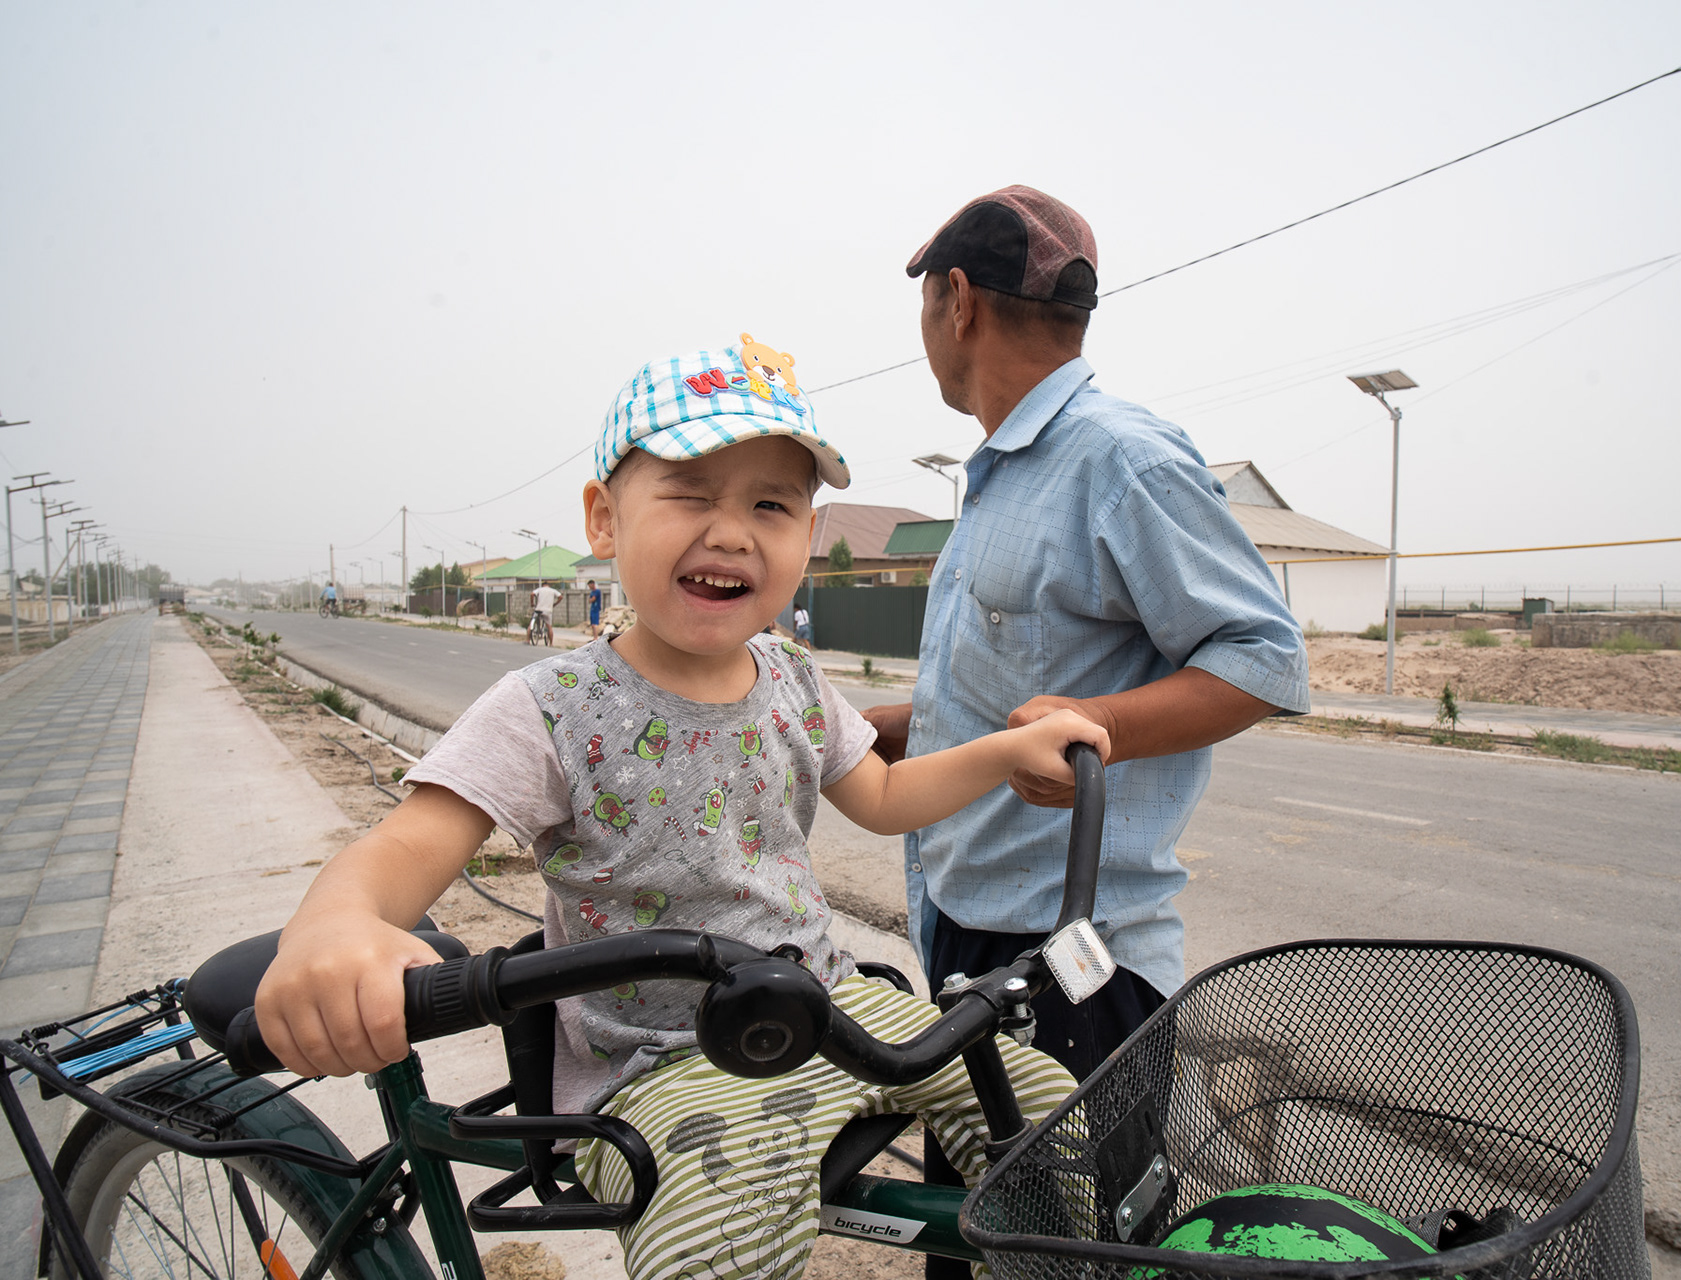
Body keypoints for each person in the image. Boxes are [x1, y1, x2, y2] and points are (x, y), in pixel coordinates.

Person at [255, 338, 1103, 1280]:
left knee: (1047, 1108)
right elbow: (408, 843)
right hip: (668, 1060)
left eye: (771, 505)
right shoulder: (551, 707)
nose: (734, 532)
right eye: (692, 494)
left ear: (805, 540)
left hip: (824, 1001)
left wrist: (1003, 753)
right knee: (713, 1252)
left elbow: (890, 796)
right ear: (605, 520)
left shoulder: (792, 677)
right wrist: (333, 925)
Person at [867, 185, 1311, 1080]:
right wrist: (832, 730)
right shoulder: (1003, 476)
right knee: (981, 1215)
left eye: (925, 303)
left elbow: (1267, 659)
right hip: (973, 927)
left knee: (1074, 1220)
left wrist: (1097, 726)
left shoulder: (1120, 458)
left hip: (1075, 965)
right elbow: (1006, 701)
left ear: (959, 302)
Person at [529, 579, 561, 644]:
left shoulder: (539, 589)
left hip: (538, 609)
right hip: (548, 610)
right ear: (548, 585)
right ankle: (551, 643)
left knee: (531, 623)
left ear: (543, 585)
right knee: (549, 626)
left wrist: (532, 603)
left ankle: (527, 640)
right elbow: (560, 596)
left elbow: (532, 594)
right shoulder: (552, 590)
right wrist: (555, 603)